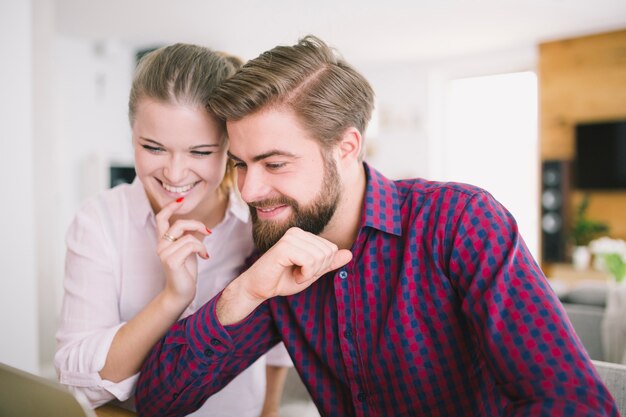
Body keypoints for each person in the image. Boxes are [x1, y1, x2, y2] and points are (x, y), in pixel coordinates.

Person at [135, 36, 619, 416]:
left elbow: (575, 403)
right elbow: (159, 401)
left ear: (346, 148)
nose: (250, 189)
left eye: (274, 164)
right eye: (239, 164)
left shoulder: (459, 222)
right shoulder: (274, 258)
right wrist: (243, 293)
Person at [54, 43, 291, 417]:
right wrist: (173, 297)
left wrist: (271, 410)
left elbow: (280, 335)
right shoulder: (100, 221)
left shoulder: (256, 221)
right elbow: (77, 381)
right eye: (153, 147)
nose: (175, 174)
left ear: (229, 148)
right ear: (132, 135)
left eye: (200, 152)